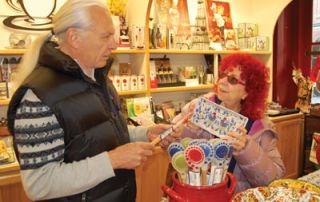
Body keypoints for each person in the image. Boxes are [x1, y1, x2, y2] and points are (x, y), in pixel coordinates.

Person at [7, 1, 180, 201]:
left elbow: (98, 133)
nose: (114, 44)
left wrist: (144, 133)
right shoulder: (39, 97)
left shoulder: (97, 78)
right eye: (106, 36)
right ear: (74, 37)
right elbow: (39, 184)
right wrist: (113, 160)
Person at [173, 53, 285, 193]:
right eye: (222, 75)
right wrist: (187, 130)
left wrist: (246, 149)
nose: (222, 82)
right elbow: (180, 156)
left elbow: (274, 179)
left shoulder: (260, 128)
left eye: (232, 79)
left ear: (248, 92)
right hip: (199, 194)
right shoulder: (202, 107)